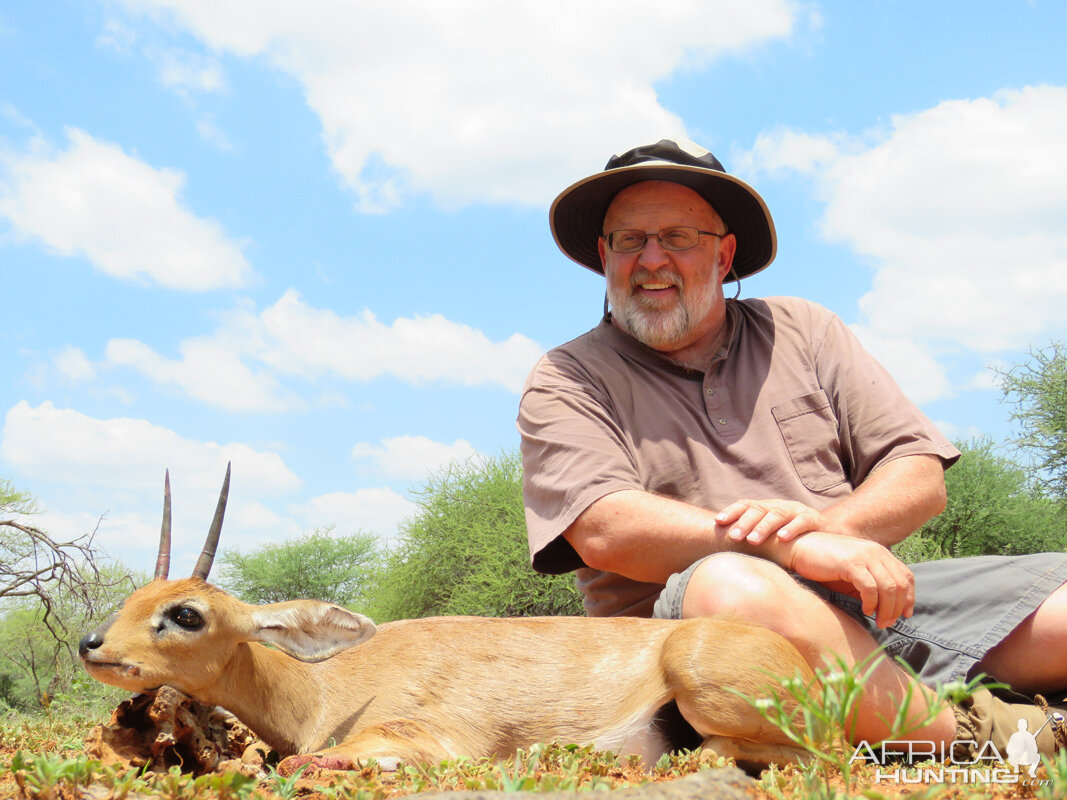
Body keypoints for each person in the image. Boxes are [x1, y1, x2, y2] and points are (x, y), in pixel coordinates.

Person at [518, 139, 1067, 757]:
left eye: (677, 237)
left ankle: (911, 710)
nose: (651, 259)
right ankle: (992, 739)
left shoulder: (804, 329)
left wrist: (838, 531)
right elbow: (605, 527)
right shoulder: (566, 376)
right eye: (629, 240)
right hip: (694, 642)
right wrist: (799, 547)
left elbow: (916, 473)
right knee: (734, 590)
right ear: (603, 254)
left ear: (723, 255)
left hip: (868, 604)